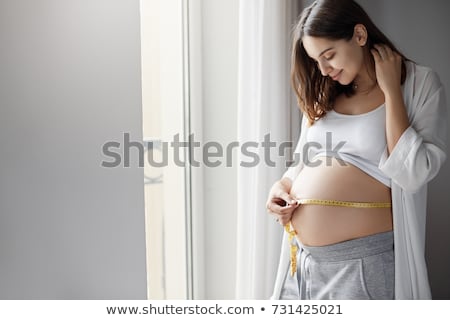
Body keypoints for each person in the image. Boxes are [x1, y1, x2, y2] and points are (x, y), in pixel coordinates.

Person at [266, 0, 447, 300]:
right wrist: (281, 187)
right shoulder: (324, 93)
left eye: (329, 55)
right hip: (302, 265)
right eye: (316, 61)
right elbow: (301, 166)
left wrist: (391, 91)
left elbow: (414, 174)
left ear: (359, 35)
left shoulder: (419, 84)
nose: (323, 70)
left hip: (361, 268)